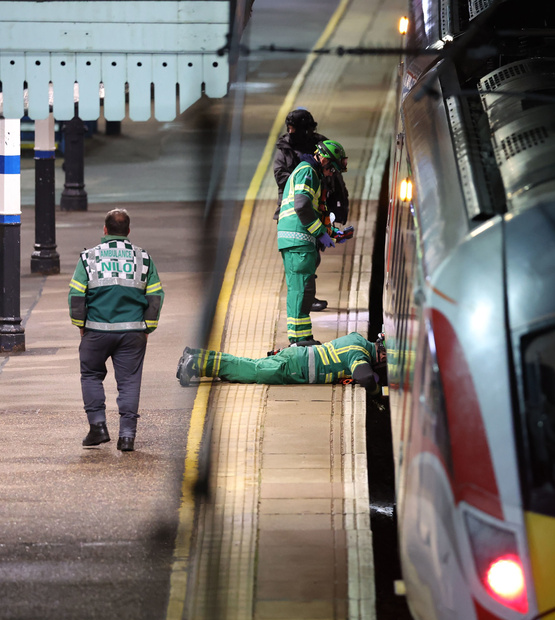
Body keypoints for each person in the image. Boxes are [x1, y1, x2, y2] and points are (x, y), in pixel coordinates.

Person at [69, 209, 164, 451]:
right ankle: (127, 437)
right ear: (128, 232)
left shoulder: (89, 258)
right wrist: (147, 328)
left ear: (105, 230)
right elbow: (155, 296)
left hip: (96, 330)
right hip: (133, 332)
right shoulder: (144, 258)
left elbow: (76, 295)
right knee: (130, 382)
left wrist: (81, 325)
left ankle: (98, 428)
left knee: (91, 375)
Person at [272, 108, 351, 312]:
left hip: (312, 213)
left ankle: (305, 309)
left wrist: (334, 228)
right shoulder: (305, 169)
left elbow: (334, 185)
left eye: (294, 128)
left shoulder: (321, 150)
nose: (290, 132)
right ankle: (306, 304)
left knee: (311, 260)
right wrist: (303, 181)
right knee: (304, 266)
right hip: (298, 221)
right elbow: (300, 203)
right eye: (289, 128)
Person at [277, 139, 352, 346]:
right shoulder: (308, 172)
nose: (332, 174)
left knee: (304, 290)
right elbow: (301, 206)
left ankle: (302, 337)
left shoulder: (313, 174)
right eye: (332, 170)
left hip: (299, 239)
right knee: (301, 290)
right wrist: (320, 233)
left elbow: (314, 210)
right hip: (297, 239)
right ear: (325, 160)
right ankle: (298, 340)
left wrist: (334, 233)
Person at [175, 332, 386, 397]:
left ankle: (196, 356)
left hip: (296, 355)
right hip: (295, 367)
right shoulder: (359, 353)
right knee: (250, 371)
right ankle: (196, 364)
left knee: (248, 364)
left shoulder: (357, 339)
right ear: (382, 353)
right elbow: (364, 377)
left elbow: (318, 343)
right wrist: (376, 389)